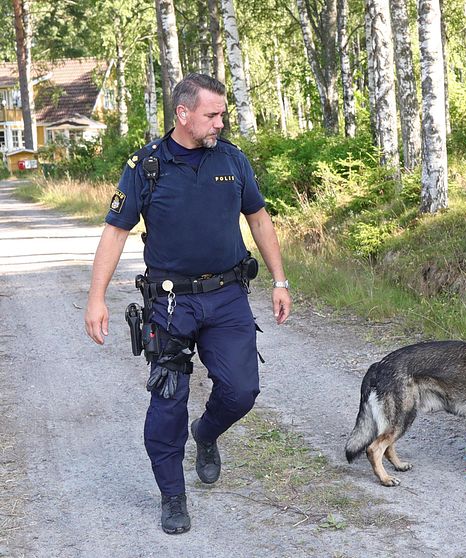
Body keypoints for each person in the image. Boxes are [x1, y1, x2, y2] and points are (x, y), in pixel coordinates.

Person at [83, 73, 292, 535]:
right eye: (211, 114)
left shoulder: (233, 161)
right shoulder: (147, 167)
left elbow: (259, 219)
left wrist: (280, 280)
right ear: (183, 114)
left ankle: (207, 433)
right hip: (171, 304)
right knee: (168, 401)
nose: (221, 122)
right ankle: (173, 494)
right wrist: (95, 298)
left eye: (222, 114)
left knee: (241, 391)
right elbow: (114, 232)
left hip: (227, 297)